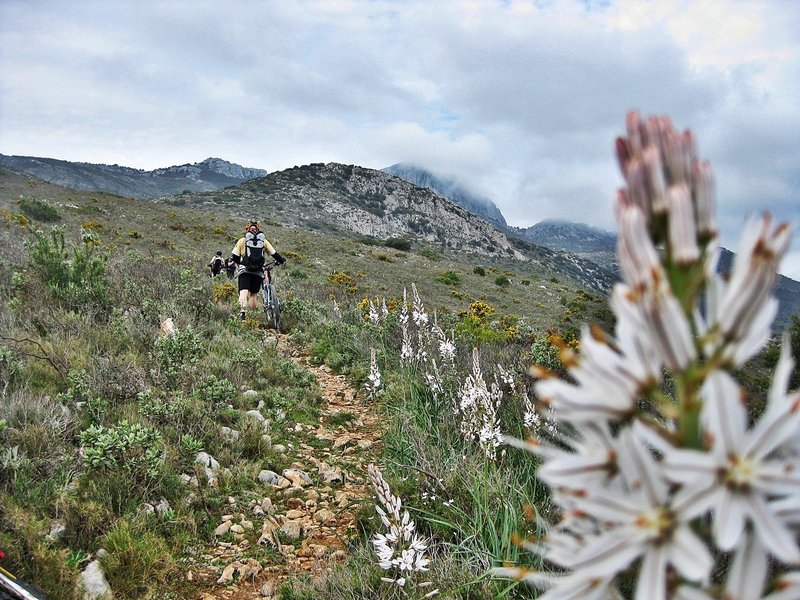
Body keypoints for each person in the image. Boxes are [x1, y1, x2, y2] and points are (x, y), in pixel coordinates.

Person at [230, 219, 285, 320]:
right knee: (254, 294)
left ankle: (242, 313)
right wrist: (281, 261)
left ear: (247, 230)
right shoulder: (263, 241)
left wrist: (241, 262)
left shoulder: (242, 241)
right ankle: (252, 316)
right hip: (258, 271)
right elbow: (274, 254)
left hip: (245, 270)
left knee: (243, 292)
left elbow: (234, 257)